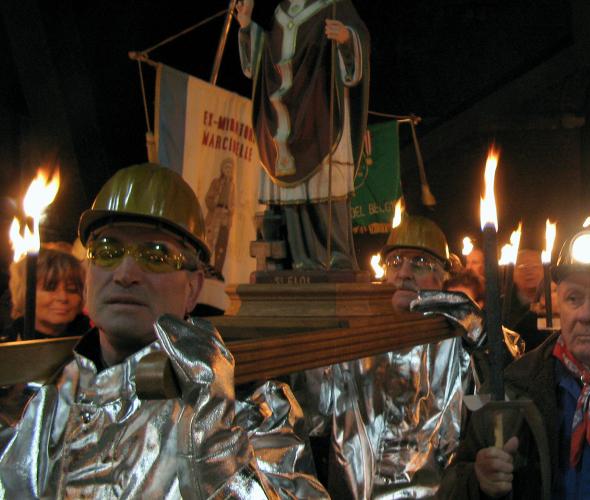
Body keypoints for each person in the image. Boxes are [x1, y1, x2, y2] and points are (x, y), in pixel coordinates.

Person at [0, 163, 325, 497]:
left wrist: (213, 443)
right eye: (108, 251)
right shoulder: (37, 405)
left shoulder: (252, 408)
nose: (125, 273)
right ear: (88, 274)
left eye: (156, 255)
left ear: (193, 288)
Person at [440, 224, 590, 499]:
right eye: (573, 298)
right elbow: (453, 485)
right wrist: (479, 480)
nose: (584, 314)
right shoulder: (515, 386)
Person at [291, 213, 521, 498]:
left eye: (420, 264)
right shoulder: (354, 342)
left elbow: (510, 361)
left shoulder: (457, 341)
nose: (404, 273)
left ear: (443, 275)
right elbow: (314, 416)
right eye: (395, 262)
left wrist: (450, 310)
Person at [237, 0, 370, 270]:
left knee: (326, 189)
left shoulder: (334, 5)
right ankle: (301, 261)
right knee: (292, 196)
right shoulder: (280, 11)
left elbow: (359, 46)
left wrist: (346, 37)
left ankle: (338, 257)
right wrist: (247, 27)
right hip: (286, 114)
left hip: (321, 110)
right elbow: (264, 60)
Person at [2, 242, 90, 342]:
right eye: (50, 288)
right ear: (24, 292)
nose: (63, 297)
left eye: (72, 289)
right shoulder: (7, 347)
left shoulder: (98, 343)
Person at [504, 248, 547, 351]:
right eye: (522, 267)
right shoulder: (502, 306)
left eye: (535, 266)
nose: (529, 271)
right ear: (512, 273)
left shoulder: (556, 304)